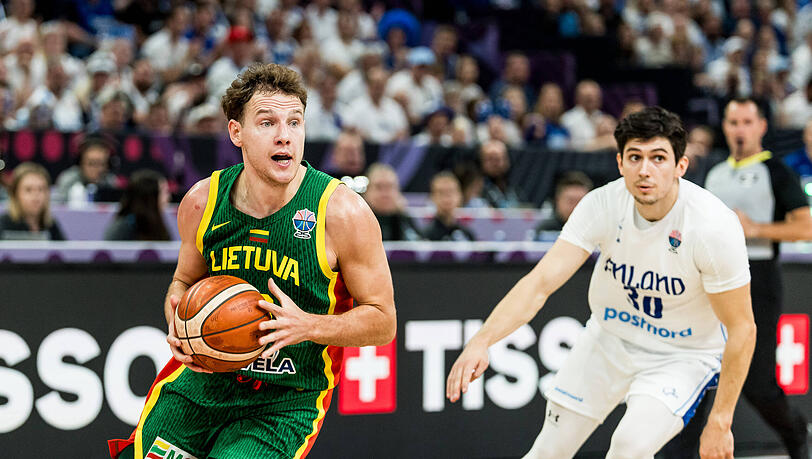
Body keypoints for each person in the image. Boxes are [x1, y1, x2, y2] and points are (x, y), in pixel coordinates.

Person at [108, 63, 396, 458]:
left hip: (286, 398)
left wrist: (307, 325)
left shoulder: (343, 213)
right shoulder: (202, 201)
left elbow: (383, 321)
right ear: (236, 133)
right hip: (203, 381)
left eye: (295, 122)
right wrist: (178, 315)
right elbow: (182, 282)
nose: (285, 136)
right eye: (267, 122)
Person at [447, 106, 756, 459]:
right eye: (635, 157)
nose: (645, 170)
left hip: (681, 356)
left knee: (628, 449)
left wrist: (721, 420)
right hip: (609, 338)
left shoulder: (712, 226)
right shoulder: (602, 204)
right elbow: (540, 283)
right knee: (547, 451)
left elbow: (742, 328)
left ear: (680, 167)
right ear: (620, 163)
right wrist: (482, 341)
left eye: (658, 158)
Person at [671, 98, 812, 459]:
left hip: (758, 277)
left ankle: (797, 434)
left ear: (762, 126)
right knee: (699, 374)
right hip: (710, 279)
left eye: (747, 121)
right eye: (733, 122)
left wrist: (754, 228)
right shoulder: (714, 173)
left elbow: (806, 226)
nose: (739, 129)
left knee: (758, 382)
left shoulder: (776, 171)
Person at [0, 162, 65, 241]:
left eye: (41, 189)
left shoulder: (51, 225)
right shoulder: (3, 225)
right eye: (28, 190)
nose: (36, 195)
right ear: (15, 194)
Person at [103, 169, 171, 241]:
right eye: (164, 192)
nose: (168, 197)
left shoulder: (158, 226)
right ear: (149, 198)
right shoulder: (123, 229)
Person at [362, 162, 423, 241]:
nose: (385, 194)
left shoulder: (405, 222)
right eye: (379, 187)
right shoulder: (359, 223)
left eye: (390, 187)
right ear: (367, 192)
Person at [53, 135, 118, 205]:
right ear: (80, 163)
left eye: (101, 164)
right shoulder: (68, 180)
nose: (96, 169)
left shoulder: (110, 182)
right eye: (91, 163)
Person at [534, 171, 593, 235]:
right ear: (558, 201)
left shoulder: (595, 230)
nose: (576, 207)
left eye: (581, 202)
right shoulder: (545, 230)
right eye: (571, 202)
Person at [424, 171, 475, 241]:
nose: (446, 198)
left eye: (451, 191)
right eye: (441, 192)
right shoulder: (425, 236)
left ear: (460, 196)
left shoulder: (467, 235)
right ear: (432, 198)